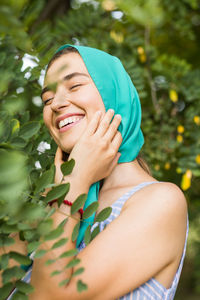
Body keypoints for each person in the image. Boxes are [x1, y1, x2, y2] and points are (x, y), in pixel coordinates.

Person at [14, 45, 190, 299]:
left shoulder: (161, 201)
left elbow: (49, 295)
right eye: (47, 99)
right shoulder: (44, 203)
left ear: (114, 93)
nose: (57, 104)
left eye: (74, 86)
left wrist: (75, 182)